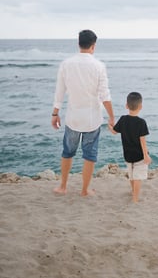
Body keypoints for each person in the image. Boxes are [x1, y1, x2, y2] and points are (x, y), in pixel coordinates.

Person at [51, 29, 115, 196]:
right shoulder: (99, 66)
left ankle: (63, 186)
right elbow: (104, 95)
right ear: (93, 46)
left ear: (79, 44)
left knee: (67, 152)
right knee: (90, 155)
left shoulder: (66, 64)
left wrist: (55, 113)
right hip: (92, 119)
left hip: (73, 118)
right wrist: (112, 117)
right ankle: (85, 189)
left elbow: (60, 91)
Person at [110, 92, 152, 203]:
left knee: (132, 175)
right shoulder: (141, 122)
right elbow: (142, 140)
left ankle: (133, 191)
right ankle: (135, 198)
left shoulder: (123, 119)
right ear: (140, 106)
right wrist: (146, 155)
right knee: (137, 177)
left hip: (127, 155)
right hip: (139, 156)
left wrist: (110, 125)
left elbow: (114, 131)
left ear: (126, 106)